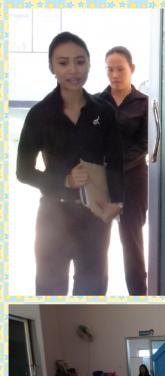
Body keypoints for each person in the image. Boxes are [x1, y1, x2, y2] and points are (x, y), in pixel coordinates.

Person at [16, 32, 123, 296]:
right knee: (50, 290)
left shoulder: (103, 112)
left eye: (80, 61)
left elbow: (116, 163)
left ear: (89, 63)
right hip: (54, 216)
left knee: (92, 289)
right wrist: (64, 180)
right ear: (52, 67)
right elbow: (23, 172)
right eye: (63, 63)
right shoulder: (40, 114)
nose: (73, 70)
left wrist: (117, 202)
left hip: (94, 216)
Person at [98, 46, 149, 295]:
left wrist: (116, 165)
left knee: (132, 241)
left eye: (120, 69)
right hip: (101, 182)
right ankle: (95, 294)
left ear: (132, 69)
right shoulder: (95, 103)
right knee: (97, 242)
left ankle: (139, 294)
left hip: (134, 180)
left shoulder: (144, 103)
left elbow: (144, 144)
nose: (115, 75)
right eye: (110, 69)